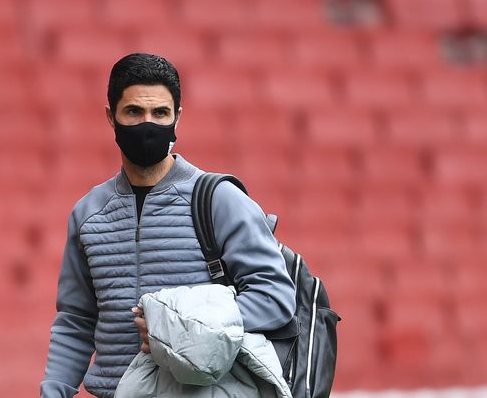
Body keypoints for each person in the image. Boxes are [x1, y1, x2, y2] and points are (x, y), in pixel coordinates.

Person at [40, 53, 296, 398]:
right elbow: (76, 320)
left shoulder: (219, 200)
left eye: (160, 113)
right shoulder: (89, 213)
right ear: (110, 117)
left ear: (177, 117)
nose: (148, 124)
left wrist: (183, 323)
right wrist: (54, 391)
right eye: (134, 112)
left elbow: (275, 297)